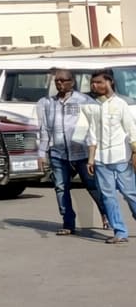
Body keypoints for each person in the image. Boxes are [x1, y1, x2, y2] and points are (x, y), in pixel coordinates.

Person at [36, 68, 107, 235]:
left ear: (72, 82)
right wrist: (41, 153)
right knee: (61, 187)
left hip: (81, 153)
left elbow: (95, 126)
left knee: (93, 186)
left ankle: (106, 213)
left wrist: (95, 150)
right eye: (57, 81)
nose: (60, 84)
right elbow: (45, 129)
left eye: (63, 80)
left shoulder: (84, 101)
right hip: (58, 154)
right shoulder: (48, 103)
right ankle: (68, 223)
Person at [72, 69, 136, 244]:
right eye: (93, 82)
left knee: (130, 194)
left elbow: (131, 130)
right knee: (108, 196)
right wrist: (91, 160)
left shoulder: (120, 104)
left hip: (122, 157)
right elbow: (91, 134)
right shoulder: (90, 106)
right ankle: (120, 232)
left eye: (99, 82)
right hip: (101, 159)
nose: (95, 85)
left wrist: (135, 152)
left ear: (110, 83)